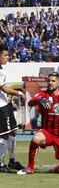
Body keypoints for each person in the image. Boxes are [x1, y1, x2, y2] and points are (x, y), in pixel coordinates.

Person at [17, 72, 59, 175]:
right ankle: (30, 167)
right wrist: (40, 99)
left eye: (53, 81)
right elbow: (30, 102)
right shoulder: (43, 94)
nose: (50, 83)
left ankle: (58, 167)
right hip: (48, 132)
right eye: (48, 81)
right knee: (36, 138)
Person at [0, 43, 25, 172]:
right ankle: (0, 162)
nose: (7, 57)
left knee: (13, 131)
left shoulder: (1, 70)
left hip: (5, 104)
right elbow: (3, 88)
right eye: (4, 55)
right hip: (1, 107)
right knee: (4, 135)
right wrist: (19, 93)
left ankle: (12, 161)